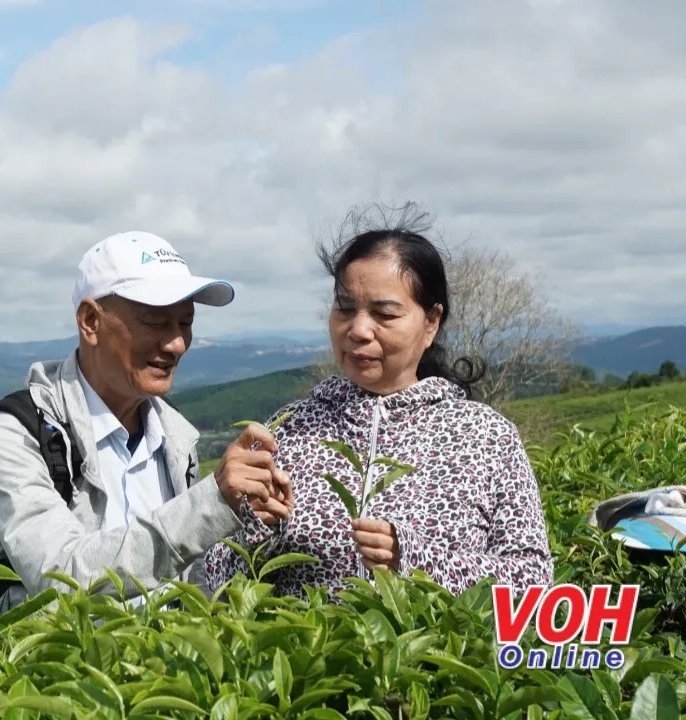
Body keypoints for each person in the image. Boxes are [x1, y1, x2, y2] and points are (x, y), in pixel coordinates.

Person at [201, 205, 554, 599]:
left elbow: (534, 583)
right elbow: (216, 585)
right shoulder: (289, 430)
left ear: (431, 322)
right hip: (308, 657)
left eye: (384, 314)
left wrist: (416, 559)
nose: (358, 330)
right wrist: (257, 531)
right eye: (345, 309)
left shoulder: (486, 437)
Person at [0, 231, 294, 618]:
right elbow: (61, 580)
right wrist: (210, 503)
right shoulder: (18, 435)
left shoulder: (175, 439)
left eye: (185, 322)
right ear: (90, 321)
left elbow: (185, 583)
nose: (176, 344)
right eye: (154, 322)